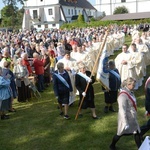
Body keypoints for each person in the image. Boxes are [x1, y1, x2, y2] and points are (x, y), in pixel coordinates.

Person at [109, 77, 141, 150]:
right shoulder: (123, 95)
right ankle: (112, 145)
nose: (134, 86)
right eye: (133, 85)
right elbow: (122, 109)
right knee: (120, 133)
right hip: (126, 118)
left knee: (137, 132)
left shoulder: (130, 91)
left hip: (132, 117)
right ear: (128, 85)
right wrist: (124, 122)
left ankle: (140, 147)